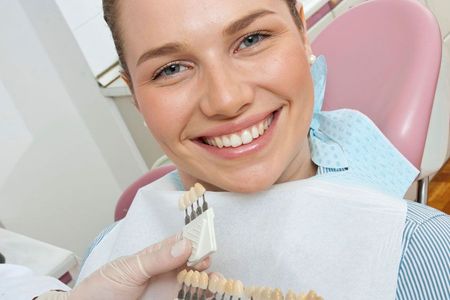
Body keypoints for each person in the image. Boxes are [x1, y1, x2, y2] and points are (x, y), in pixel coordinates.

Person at [33, 0, 450, 299]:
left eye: (251, 39)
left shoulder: (418, 252)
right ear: (135, 96)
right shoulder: (110, 256)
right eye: (171, 69)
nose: (226, 99)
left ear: (303, 36)